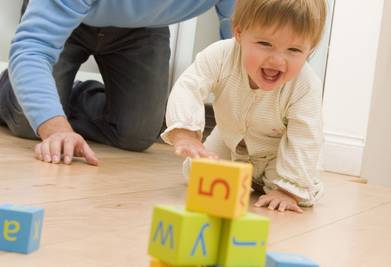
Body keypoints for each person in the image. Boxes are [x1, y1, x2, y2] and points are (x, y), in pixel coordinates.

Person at [0, 0, 234, 166]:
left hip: (143, 28)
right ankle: (16, 88)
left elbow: (242, 45)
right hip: (69, 17)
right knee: (30, 124)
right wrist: (56, 129)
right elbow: (33, 50)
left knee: (136, 134)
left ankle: (58, 95)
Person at [161, 0, 327, 212]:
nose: (277, 60)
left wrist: (290, 190)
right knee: (196, 172)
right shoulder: (220, 56)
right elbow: (189, 86)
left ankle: (290, 184)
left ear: (309, 50)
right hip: (229, 141)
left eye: (294, 49)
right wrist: (185, 133)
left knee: (296, 191)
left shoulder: (305, 85)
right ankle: (244, 177)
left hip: (277, 154)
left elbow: (306, 136)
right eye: (265, 44)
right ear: (239, 33)